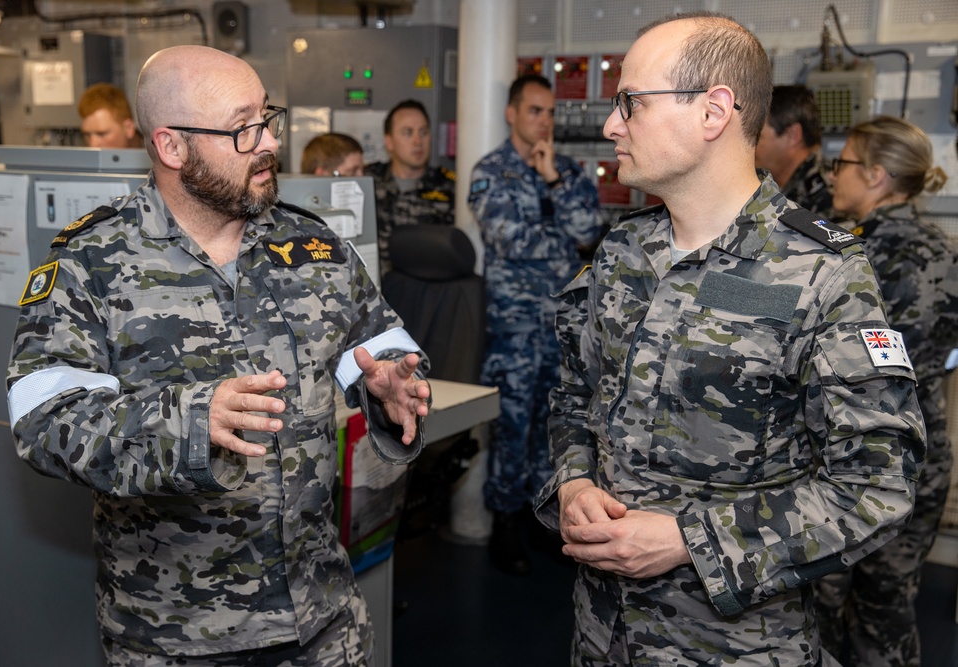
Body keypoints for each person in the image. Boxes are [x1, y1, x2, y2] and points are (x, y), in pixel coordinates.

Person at [7, 45, 432, 666]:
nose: (266, 143)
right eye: (241, 129)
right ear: (172, 147)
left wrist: (394, 393)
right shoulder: (88, 262)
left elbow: (378, 351)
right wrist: (187, 425)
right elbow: (42, 420)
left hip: (322, 623)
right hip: (175, 637)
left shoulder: (315, 248)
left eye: (267, 119)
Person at [534, 12, 926, 665]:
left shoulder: (822, 273)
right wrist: (574, 484)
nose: (610, 125)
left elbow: (877, 483)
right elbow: (574, 399)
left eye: (631, 102)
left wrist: (693, 539)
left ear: (714, 111)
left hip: (732, 647)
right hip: (600, 636)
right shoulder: (622, 253)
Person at [813, 115, 958, 667]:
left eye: (842, 163)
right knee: (889, 610)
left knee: (821, 610)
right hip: (922, 461)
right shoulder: (945, 251)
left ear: (875, 175)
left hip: (848, 464)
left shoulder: (848, 258)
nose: (833, 175)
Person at [468, 73, 601, 575]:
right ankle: (505, 524)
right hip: (515, 326)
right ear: (511, 113)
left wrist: (553, 183)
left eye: (549, 112)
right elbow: (509, 242)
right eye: (534, 110)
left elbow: (589, 232)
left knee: (559, 427)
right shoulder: (490, 171)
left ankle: (547, 522)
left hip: (563, 328)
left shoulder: (565, 170)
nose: (543, 120)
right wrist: (563, 241)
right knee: (512, 426)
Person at [364, 99, 456, 274]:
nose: (417, 141)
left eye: (423, 132)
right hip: (375, 292)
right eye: (408, 132)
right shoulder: (367, 181)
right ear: (389, 141)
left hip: (428, 291)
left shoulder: (449, 187)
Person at [754, 84, 835, 218]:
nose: (750, 146)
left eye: (758, 137)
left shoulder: (825, 195)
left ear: (792, 135)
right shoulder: (784, 187)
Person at [78, 82, 145, 149]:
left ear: (128, 128)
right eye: (87, 135)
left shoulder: (153, 157)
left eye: (102, 134)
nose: (93, 144)